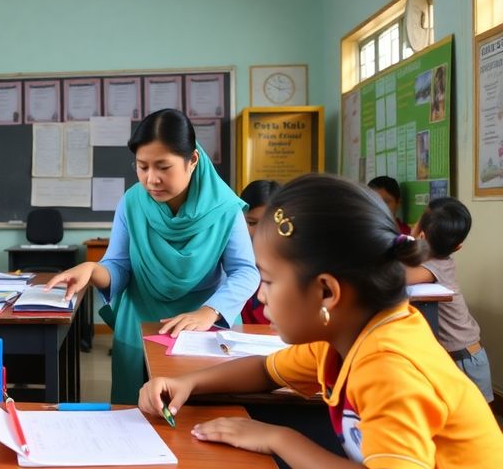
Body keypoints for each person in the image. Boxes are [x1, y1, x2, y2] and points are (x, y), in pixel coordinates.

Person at [138, 174, 503, 468]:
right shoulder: (345, 334)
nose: (260, 295)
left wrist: (278, 438)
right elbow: (266, 370)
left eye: (267, 280)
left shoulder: (390, 367)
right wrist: (185, 382)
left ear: (327, 292)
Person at [46, 109, 259, 403]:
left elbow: (246, 272)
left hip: (204, 325)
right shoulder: (133, 202)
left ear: (192, 161)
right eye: (142, 166)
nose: (151, 180)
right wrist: (93, 270)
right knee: (136, 413)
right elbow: (119, 265)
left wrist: (209, 312)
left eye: (163, 167)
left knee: (202, 413)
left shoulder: (225, 208)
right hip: (141, 320)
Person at [407, 197, 492, 402]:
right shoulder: (437, 260)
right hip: (466, 355)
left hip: (465, 360)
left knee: (478, 423)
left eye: (417, 221)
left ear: (422, 235)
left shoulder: (433, 267)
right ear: (458, 247)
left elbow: (395, 276)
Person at [240, 180, 280, 324]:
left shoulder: (293, 267)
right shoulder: (227, 264)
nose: (259, 232)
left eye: (269, 223)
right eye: (251, 223)